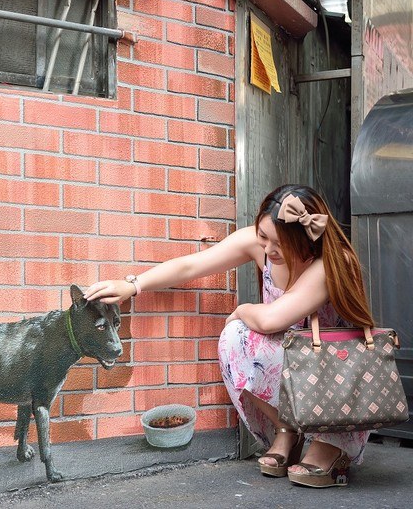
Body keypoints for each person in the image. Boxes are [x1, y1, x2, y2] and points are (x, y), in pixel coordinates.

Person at [84, 184, 374, 488]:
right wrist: (134, 285)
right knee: (234, 337)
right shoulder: (262, 244)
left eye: (279, 243)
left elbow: (273, 319)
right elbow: (192, 265)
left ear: (304, 239)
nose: (268, 250)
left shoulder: (329, 262)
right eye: (263, 237)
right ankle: (287, 428)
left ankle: (331, 442)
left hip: (334, 381)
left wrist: (245, 308)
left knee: (244, 325)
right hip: (296, 366)